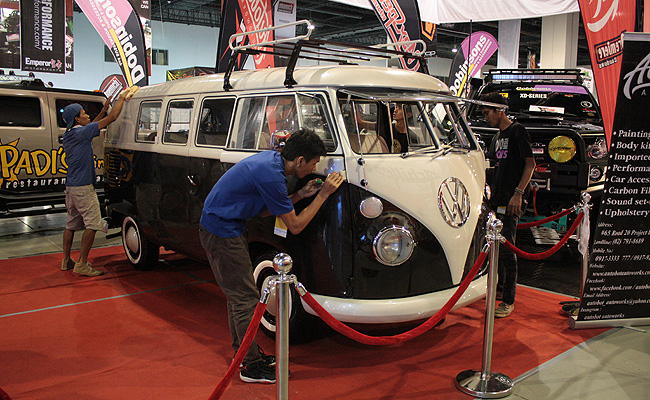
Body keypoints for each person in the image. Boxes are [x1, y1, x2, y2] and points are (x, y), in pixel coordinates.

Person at [199, 129, 344, 384]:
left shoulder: (272, 162)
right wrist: (323, 195)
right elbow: (295, 226)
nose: (314, 169)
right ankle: (250, 366)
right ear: (299, 160)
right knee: (245, 299)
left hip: (226, 228)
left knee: (239, 297)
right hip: (221, 233)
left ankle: (244, 355)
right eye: (313, 163)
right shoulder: (272, 176)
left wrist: (300, 195)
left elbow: (265, 211)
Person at [60, 90, 130, 277]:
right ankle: (82, 263)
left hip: (71, 187)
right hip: (83, 188)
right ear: (77, 119)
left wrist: (103, 109)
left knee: (71, 225)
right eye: (84, 114)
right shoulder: (81, 133)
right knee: (93, 224)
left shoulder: (71, 133)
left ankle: (66, 260)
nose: (88, 116)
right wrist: (122, 98)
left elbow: (91, 125)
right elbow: (112, 118)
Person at [480, 92, 535, 318]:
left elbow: (530, 164)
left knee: (508, 249)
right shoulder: (497, 137)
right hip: (497, 199)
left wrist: (518, 193)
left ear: (500, 110)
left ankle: (509, 300)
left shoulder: (517, 131)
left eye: (487, 113)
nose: (485, 118)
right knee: (498, 249)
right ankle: (500, 289)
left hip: (511, 200)